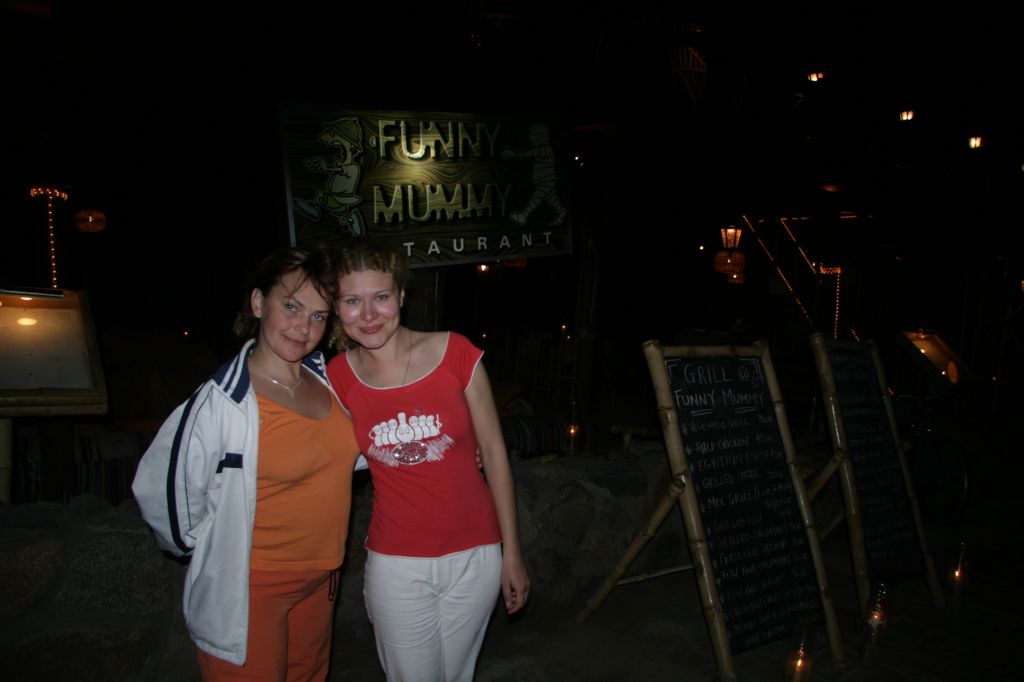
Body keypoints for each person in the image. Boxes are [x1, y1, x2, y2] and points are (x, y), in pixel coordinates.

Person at [132, 244, 364, 681]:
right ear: (259, 303)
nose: (304, 327)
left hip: (322, 580)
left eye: (318, 315)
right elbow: (160, 491)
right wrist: (206, 548)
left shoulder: (330, 384)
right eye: (291, 306)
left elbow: (361, 448)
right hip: (251, 587)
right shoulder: (222, 401)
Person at [326, 237, 530, 681]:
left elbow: (495, 454)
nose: (368, 314)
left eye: (381, 297)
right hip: (397, 563)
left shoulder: (456, 352)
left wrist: (511, 553)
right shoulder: (336, 378)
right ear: (337, 307)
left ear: (401, 294)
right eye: (352, 301)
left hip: (477, 555)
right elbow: (325, 456)